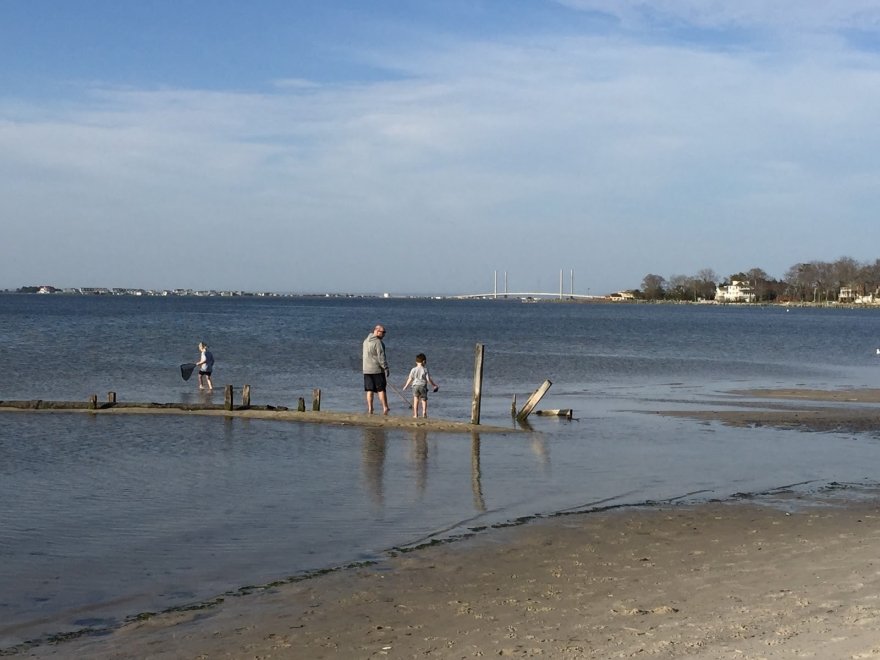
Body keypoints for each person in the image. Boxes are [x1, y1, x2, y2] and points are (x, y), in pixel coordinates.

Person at [362, 325, 390, 415]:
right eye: (383, 332)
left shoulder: (365, 341)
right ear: (377, 331)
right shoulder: (378, 343)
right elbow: (381, 357)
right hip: (377, 369)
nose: (384, 334)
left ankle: (370, 408)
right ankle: (385, 407)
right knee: (381, 389)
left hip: (366, 369)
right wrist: (386, 368)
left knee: (369, 389)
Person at [402, 353, 439, 418]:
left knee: (416, 400)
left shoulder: (413, 369)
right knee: (424, 400)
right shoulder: (425, 369)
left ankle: (415, 414)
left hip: (415, 386)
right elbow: (428, 379)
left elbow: (410, 378)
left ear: (416, 362)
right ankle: (424, 412)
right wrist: (434, 385)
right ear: (424, 361)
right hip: (423, 386)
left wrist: (405, 386)